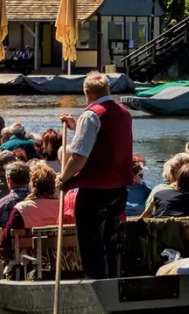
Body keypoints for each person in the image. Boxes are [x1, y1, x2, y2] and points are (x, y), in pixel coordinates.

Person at [58, 71, 134, 280]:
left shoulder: (91, 115)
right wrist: (77, 128)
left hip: (94, 191)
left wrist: (63, 178)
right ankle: (113, 283)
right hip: (118, 189)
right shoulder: (124, 113)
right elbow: (106, 142)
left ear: (86, 92)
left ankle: (97, 286)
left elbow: (80, 156)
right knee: (111, 240)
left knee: (91, 244)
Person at [0, 160, 32, 245]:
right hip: (36, 251)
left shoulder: (1, 204)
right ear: (29, 179)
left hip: (8, 253)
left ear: (9, 180)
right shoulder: (37, 202)